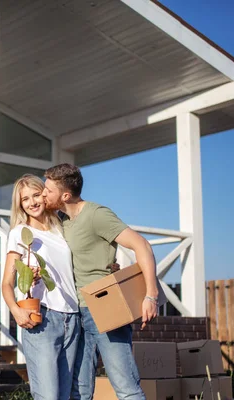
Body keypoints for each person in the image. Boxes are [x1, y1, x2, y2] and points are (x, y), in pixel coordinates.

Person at [42, 163, 159, 400]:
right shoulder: (61, 219)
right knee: (80, 391)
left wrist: (151, 295)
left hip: (105, 307)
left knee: (125, 386)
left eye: (48, 190)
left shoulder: (97, 214)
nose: (43, 194)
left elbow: (142, 245)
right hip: (75, 312)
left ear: (65, 195)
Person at [1, 174, 80, 400]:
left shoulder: (62, 230)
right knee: (48, 395)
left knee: (65, 395)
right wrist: (16, 310)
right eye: (25, 199)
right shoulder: (20, 233)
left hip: (72, 318)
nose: (32, 202)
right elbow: (7, 283)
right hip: (42, 318)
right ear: (20, 205)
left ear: (45, 196)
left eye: (36, 195)